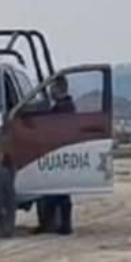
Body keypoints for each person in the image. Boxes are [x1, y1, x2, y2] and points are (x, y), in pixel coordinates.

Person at [36, 77, 77, 236]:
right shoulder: (65, 106)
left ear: (59, 89)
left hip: (60, 151)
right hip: (59, 151)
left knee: (57, 191)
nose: (50, 91)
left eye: (52, 88)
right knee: (57, 191)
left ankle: (57, 225)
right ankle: (56, 224)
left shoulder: (64, 107)